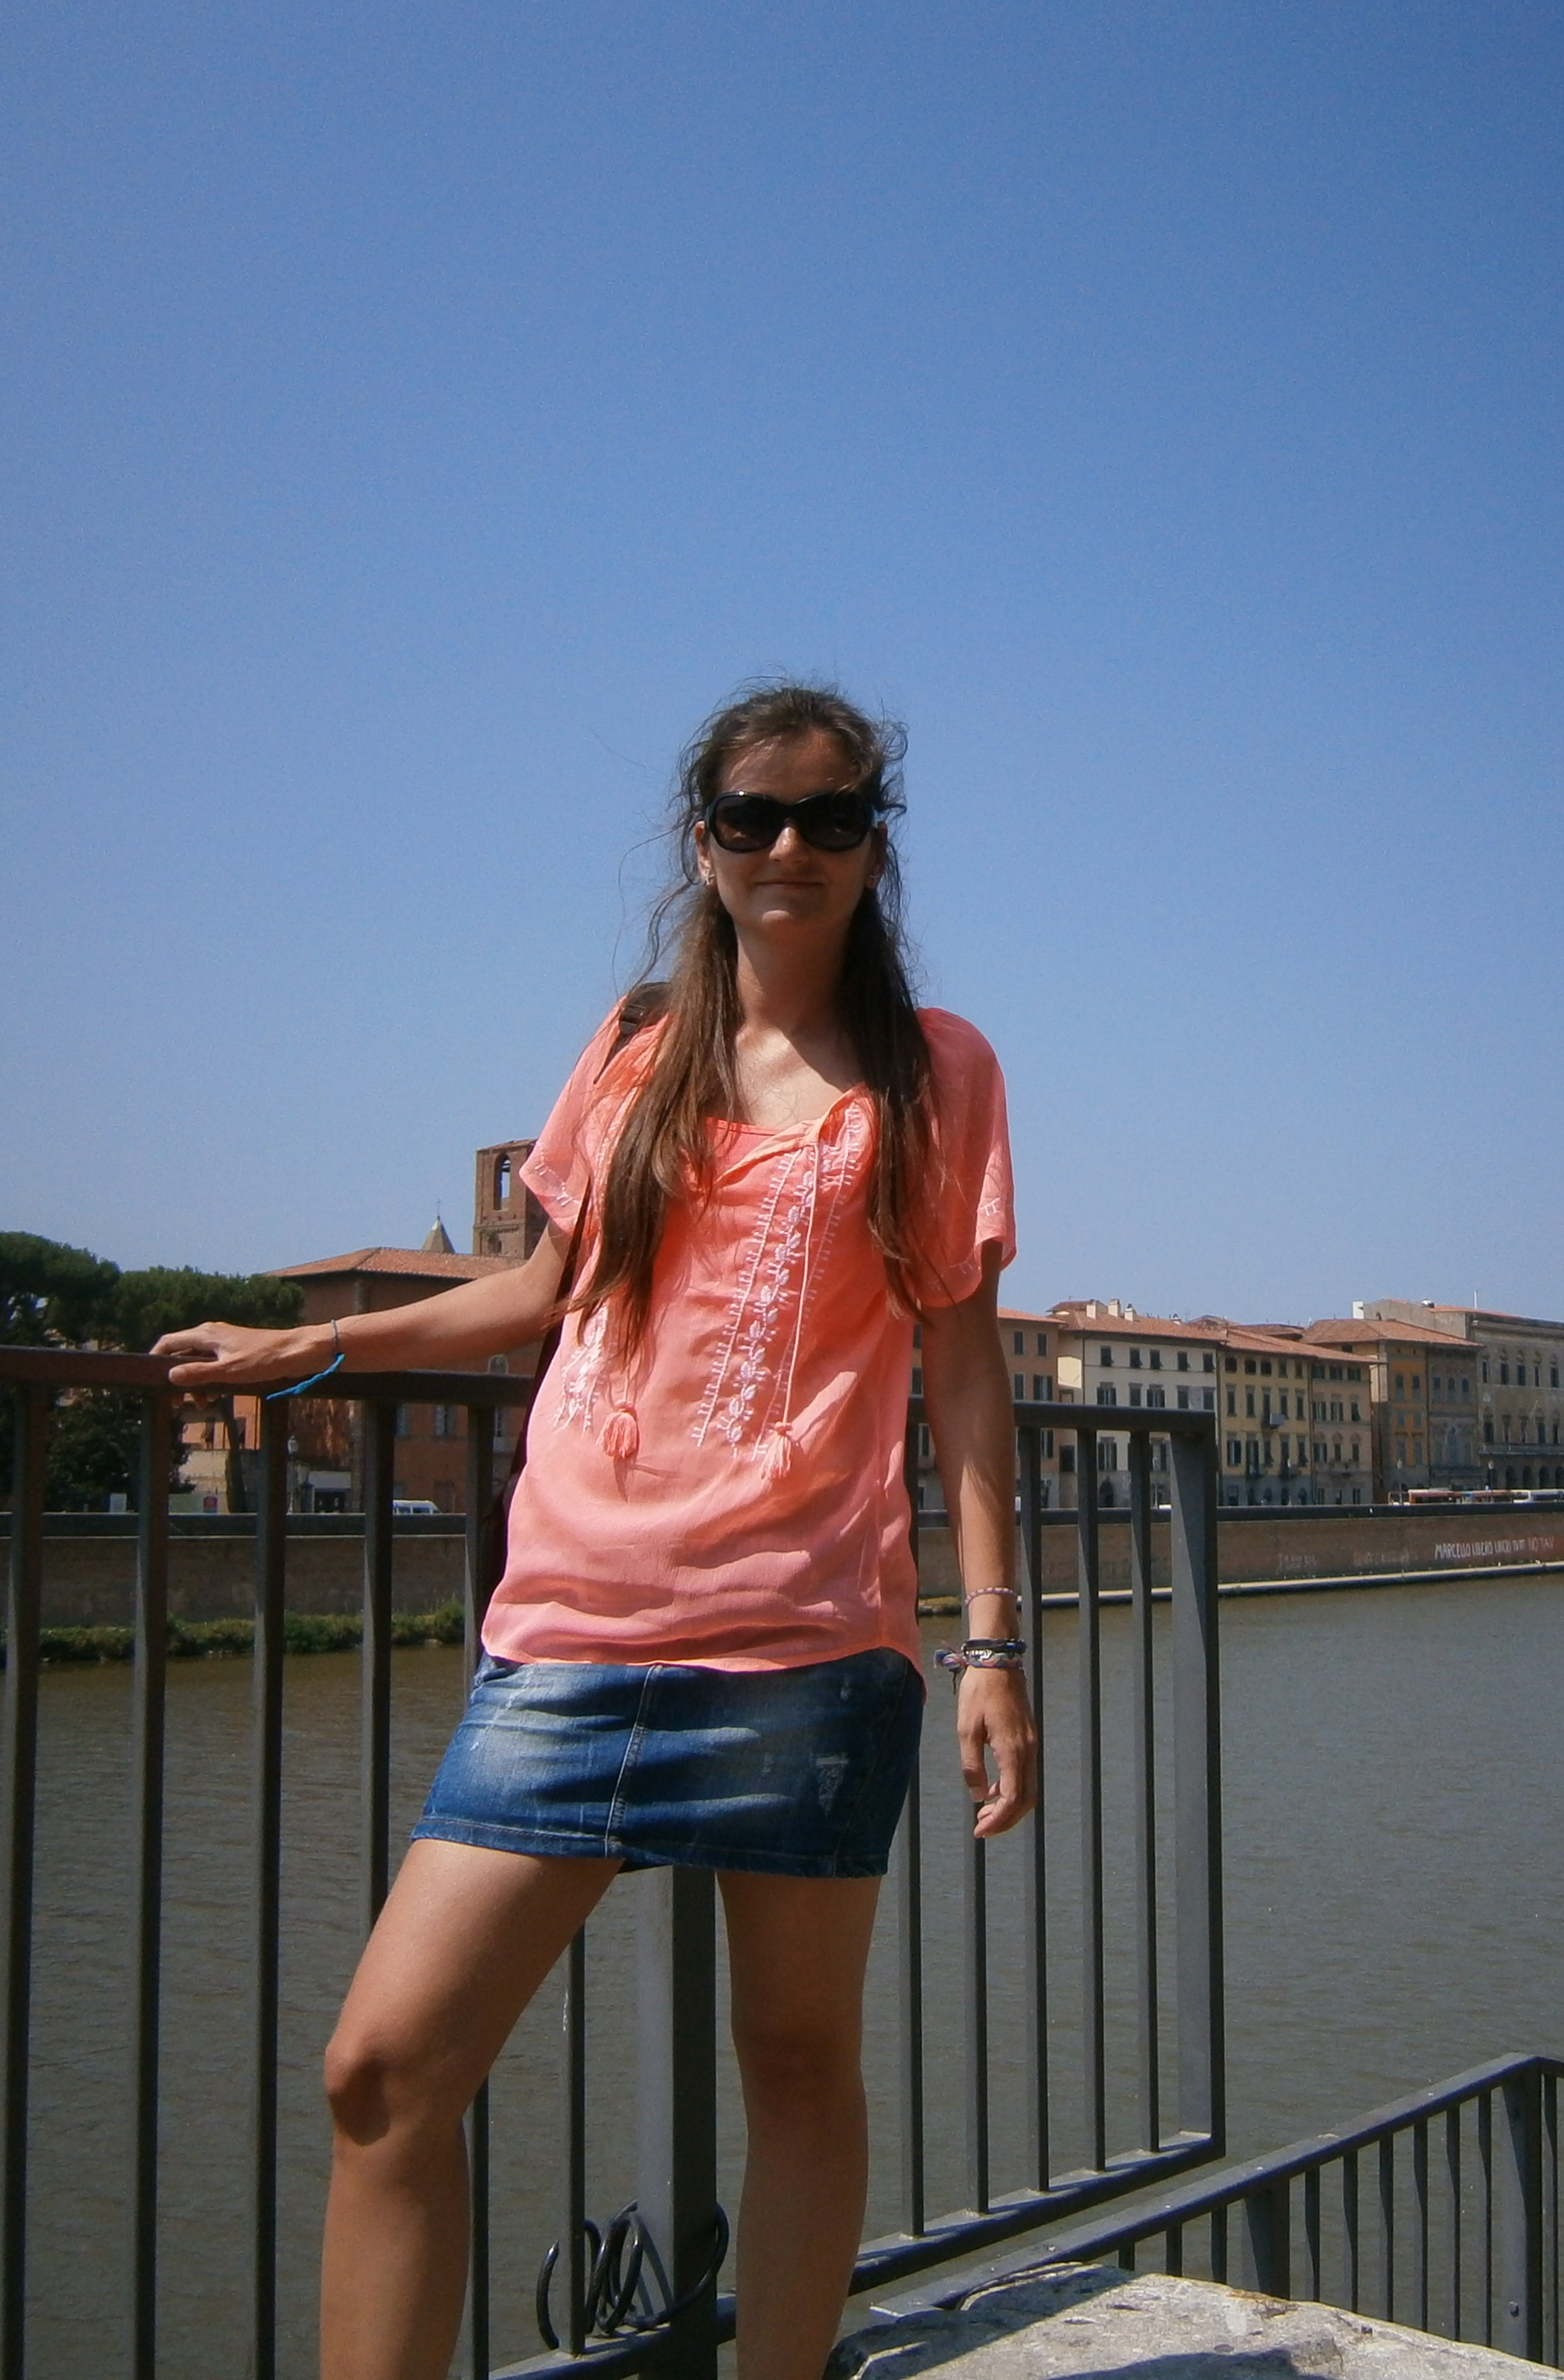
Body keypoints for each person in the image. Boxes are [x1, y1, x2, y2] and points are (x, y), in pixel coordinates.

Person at [158, 682, 1036, 2380]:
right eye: (752, 817)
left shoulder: (939, 1071)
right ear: (701, 843)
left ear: (875, 846)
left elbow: (965, 1375)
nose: (790, 847)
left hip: (803, 1645)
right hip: (567, 1631)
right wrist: (307, 1349)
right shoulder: (634, 1047)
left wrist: (991, 1645)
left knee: (797, 2070)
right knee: (381, 2071)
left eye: (832, 816)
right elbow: (539, 1289)